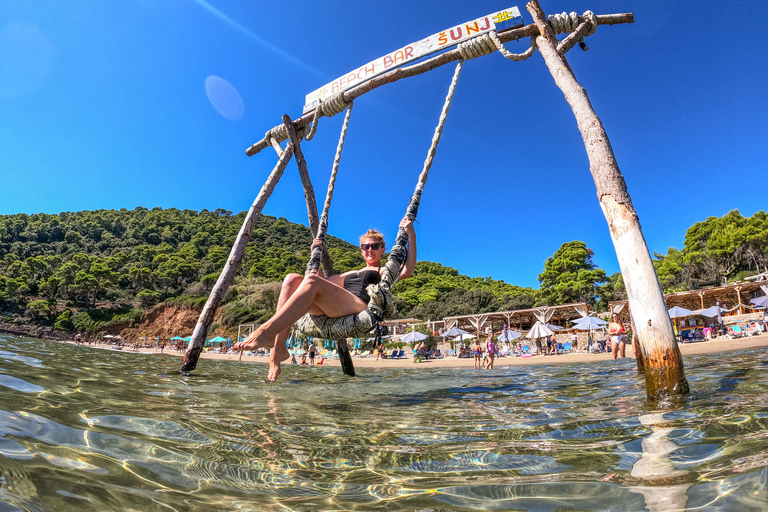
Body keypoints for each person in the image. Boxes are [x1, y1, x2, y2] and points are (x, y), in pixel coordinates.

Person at [234, 217, 417, 381]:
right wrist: (316, 253)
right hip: (336, 308)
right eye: (365, 247)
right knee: (291, 279)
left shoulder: (385, 271)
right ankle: (278, 351)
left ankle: (267, 331)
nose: (370, 250)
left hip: (359, 308)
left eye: (374, 246)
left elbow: (408, 269)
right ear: (361, 251)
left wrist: (410, 233)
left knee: (311, 281)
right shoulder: (350, 273)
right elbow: (321, 283)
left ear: (383, 249)